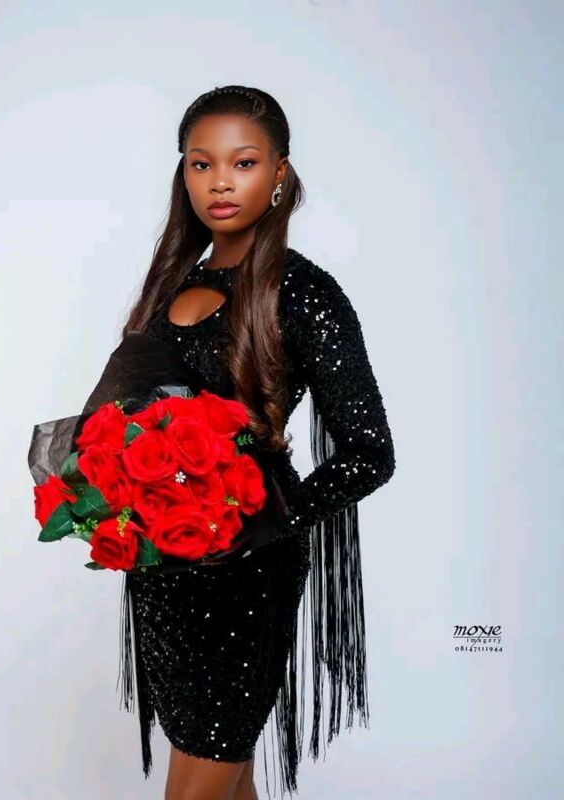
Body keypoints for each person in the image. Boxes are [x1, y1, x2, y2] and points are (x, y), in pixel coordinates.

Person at [119, 85, 396, 800]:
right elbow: (126, 420)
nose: (220, 182)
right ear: (183, 174)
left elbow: (370, 451)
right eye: (201, 163)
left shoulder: (304, 293)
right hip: (164, 568)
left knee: (202, 772)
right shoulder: (172, 283)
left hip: (246, 575)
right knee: (219, 773)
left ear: (279, 172)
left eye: (242, 163)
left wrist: (265, 520)